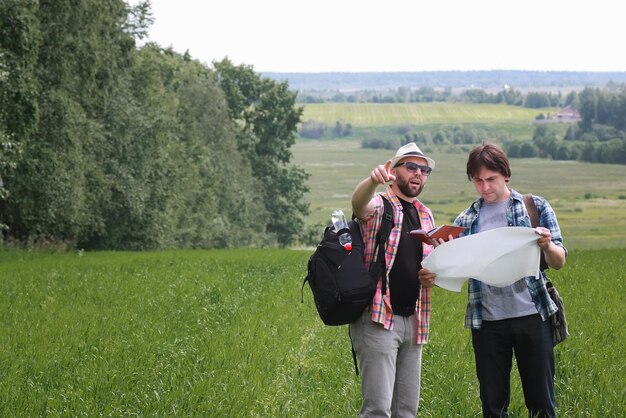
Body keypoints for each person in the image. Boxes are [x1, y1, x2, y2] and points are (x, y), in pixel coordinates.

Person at [419, 143, 567, 418]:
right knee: (493, 405)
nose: (485, 187)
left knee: (542, 404)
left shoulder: (533, 207)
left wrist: (547, 246)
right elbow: (452, 267)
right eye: (478, 180)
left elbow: (559, 261)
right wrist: (434, 269)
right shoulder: (467, 219)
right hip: (488, 322)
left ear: (505, 174)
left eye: (491, 179)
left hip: (532, 316)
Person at [350, 142, 437, 417]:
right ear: (394, 169)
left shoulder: (425, 214)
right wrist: (372, 181)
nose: (418, 174)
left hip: (414, 320)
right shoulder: (381, 204)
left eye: (424, 170)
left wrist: (431, 275)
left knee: (407, 410)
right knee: (378, 409)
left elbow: (427, 263)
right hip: (378, 319)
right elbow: (359, 204)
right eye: (411, 167)